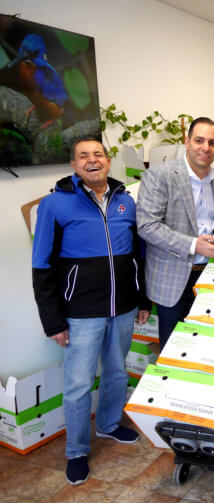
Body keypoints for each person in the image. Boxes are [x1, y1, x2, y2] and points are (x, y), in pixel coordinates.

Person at [32, 137, 151, 485]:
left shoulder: (127, 201)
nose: (92, 160)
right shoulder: (54, 205)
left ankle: (109, 424)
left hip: (124, 307)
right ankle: (77, 451)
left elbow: (139, 256)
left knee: (116, 372)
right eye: (83, 156)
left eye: (98, 154)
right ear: (73, 165)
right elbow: (41, 265)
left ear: (109, 161)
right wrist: (53, 320)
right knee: (78, 383)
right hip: (81, 312)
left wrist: (142, 300)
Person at [137, 117, 214, 345]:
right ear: (187, 142)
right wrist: (193, 244)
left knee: (204, 346)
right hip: (172, 280)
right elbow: (147, 226)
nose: (205, 147)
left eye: (212, 142)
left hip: (208, 277)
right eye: (199, 140)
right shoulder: (160, 175)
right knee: (173, 350)